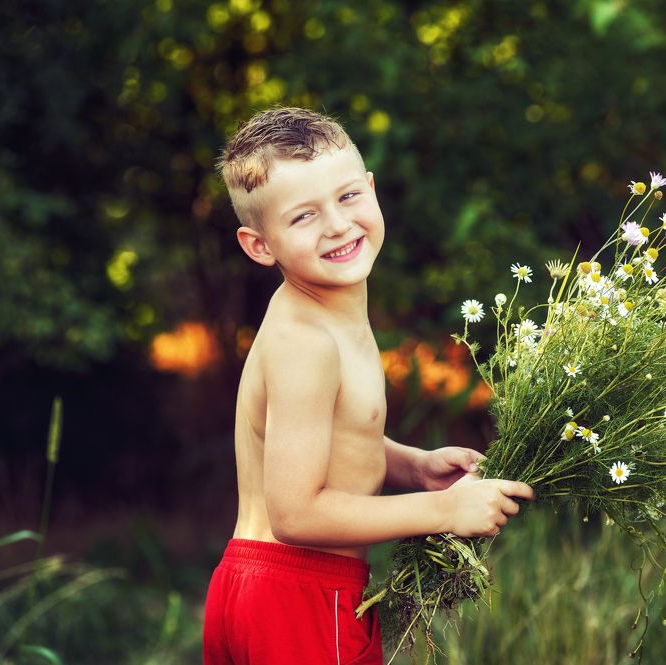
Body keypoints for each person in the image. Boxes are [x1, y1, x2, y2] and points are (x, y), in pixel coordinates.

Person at [203, 106, 534, 665]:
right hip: (299, 594)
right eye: (303, 216)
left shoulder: (322, 312)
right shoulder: (306, 341)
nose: (336, 224)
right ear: (261, 245)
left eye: (349, 196)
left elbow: (313, 438)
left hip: (259, 587)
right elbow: (296, 515)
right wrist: (444, 514)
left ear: (372, 190)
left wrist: (413, 467)